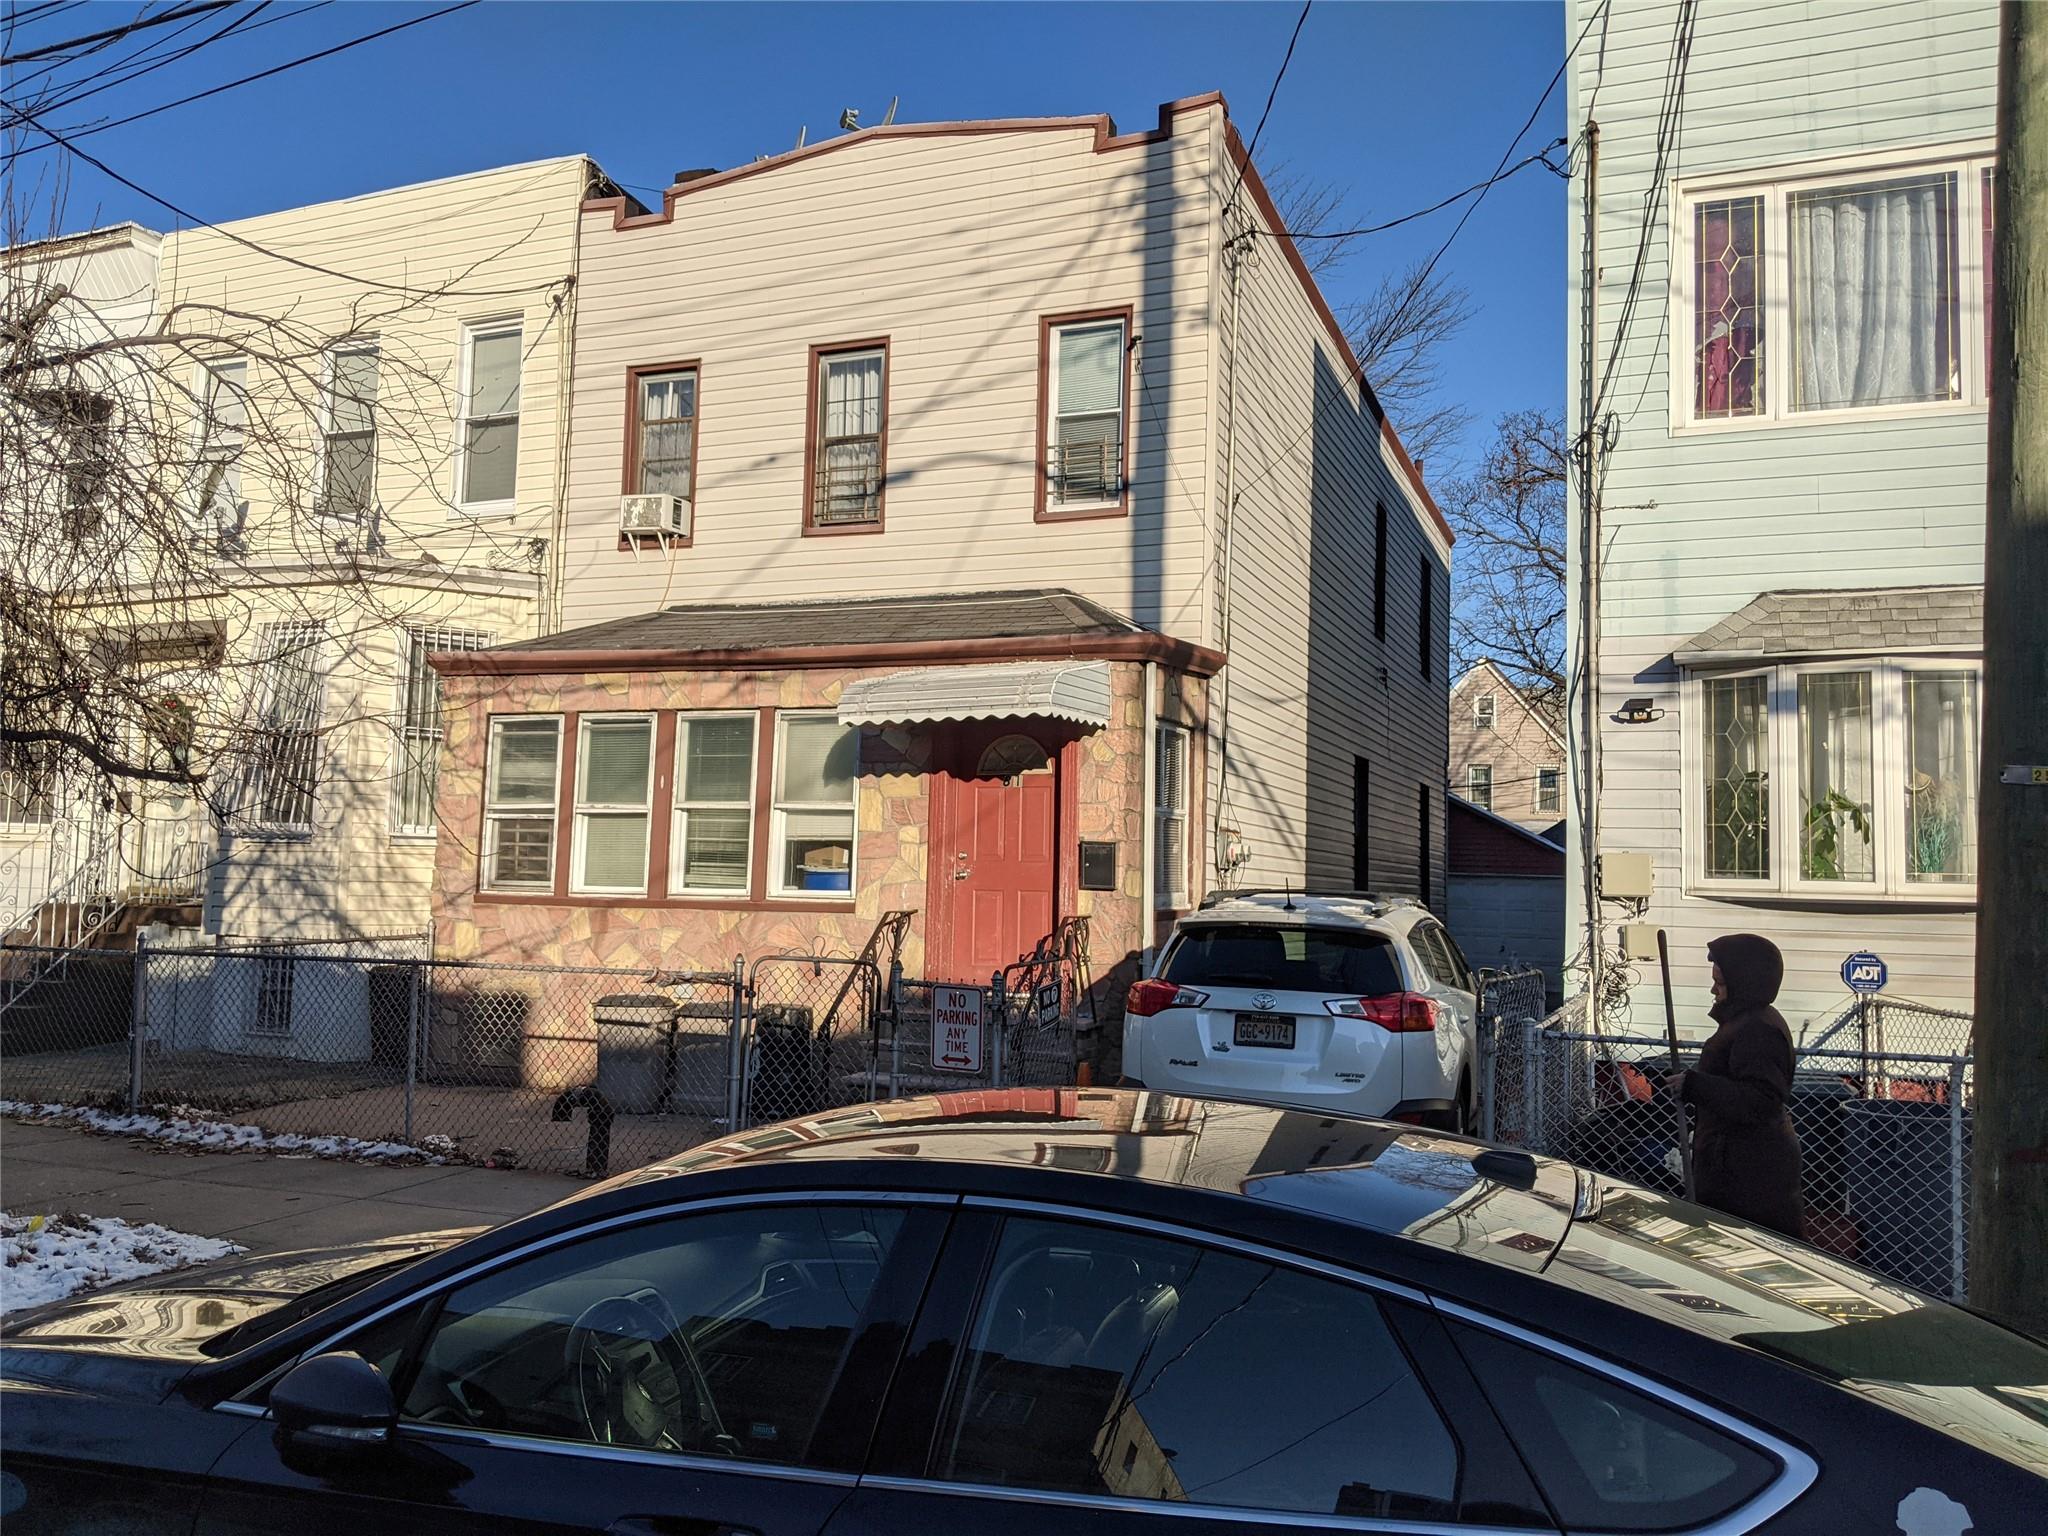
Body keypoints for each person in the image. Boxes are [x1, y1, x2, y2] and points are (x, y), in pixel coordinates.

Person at [1664, 933, 1806, 1240]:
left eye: (1722, 982)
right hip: (1733, 1167)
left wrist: (1695, 1085)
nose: (1713, 989)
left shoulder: (1760, 1030)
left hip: (1751, 1177)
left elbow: (1761, 1100)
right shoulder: (1745, 1022)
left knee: (1752, 1254)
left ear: (1746, 981)